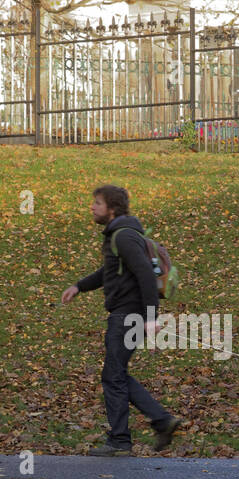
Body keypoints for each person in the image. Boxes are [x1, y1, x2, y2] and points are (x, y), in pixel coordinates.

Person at [60, 184, 183, 456]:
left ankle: (121, 441)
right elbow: (109, 272)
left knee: (113, 376)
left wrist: (152, 318)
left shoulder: (124, 237)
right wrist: (79, 286)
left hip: (128, 315)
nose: (92, 207)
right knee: (116, 375)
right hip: (129, 314)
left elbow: (145, 277)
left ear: (112, 209)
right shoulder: (121, 235)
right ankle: (160, 422)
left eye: (97, 203)